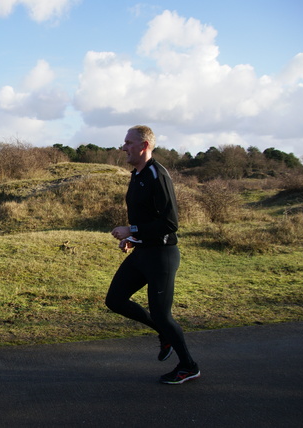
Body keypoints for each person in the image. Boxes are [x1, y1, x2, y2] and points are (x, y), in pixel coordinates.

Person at [105, 125, 200, 384]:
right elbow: (148, 217)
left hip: (162, 256)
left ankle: (188, 366)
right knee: (114, 300)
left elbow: (170, 224)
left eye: (128, 142)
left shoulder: (158, 175)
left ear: (144, 145)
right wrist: (133, 238)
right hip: (144, 251)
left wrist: (131, 229)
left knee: (161, 314)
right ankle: (164, 334)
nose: (123, 147)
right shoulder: (137, 175)